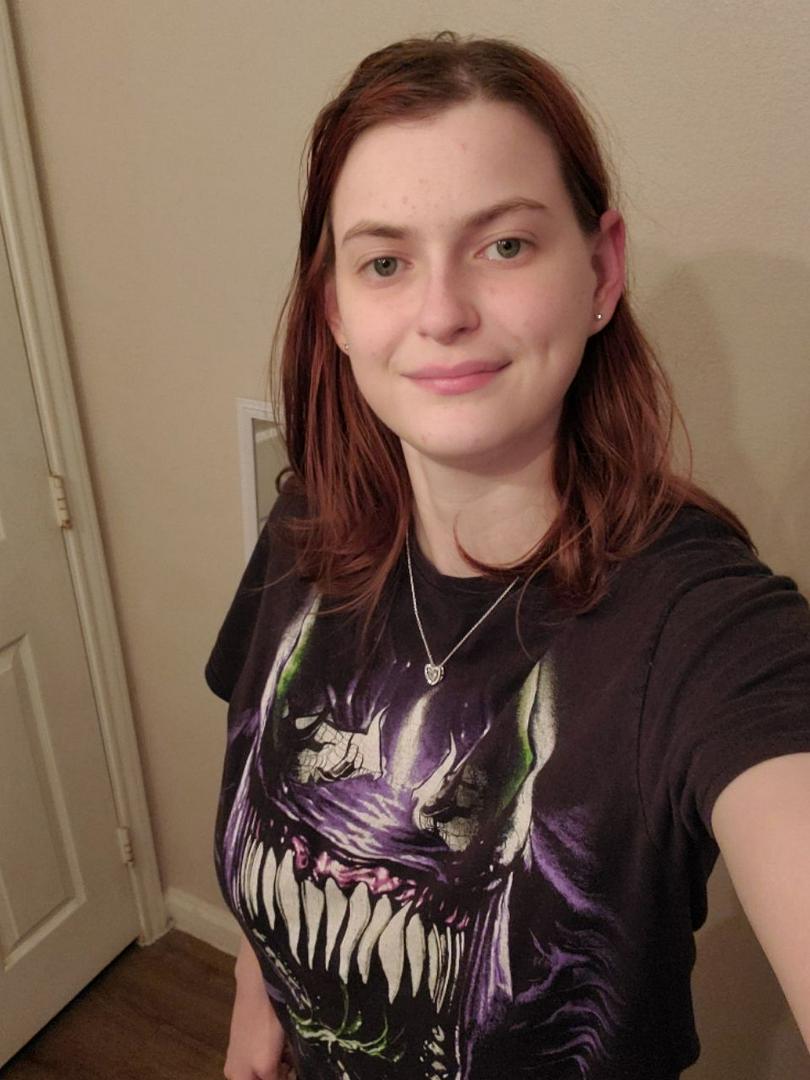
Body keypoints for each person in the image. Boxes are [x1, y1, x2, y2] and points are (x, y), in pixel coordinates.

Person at [205, 31, 810, 1080]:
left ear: (601, 270)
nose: (442, 312)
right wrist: (255, 994)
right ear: (336, 310)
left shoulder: (704, 631)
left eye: (505, 246)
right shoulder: (306, 526)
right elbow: (270, 790)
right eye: (385, 261)